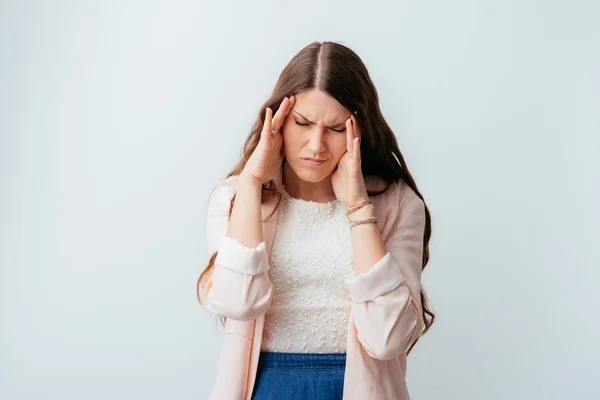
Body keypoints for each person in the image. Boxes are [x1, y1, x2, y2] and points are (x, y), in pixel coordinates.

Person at [197, 41, 434, 400]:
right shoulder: (233, 198)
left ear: (361, 130)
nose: (316, 146)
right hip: (264, 388)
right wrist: (251, 183)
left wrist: (357, 206)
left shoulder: (397, 204)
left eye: (337, 129)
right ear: (276, 120)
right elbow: (236, 303)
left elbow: (388, 338)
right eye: (303, 123)